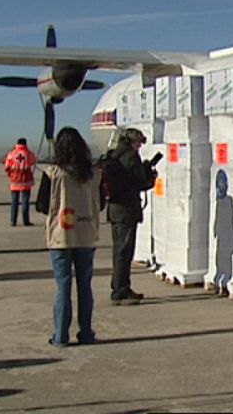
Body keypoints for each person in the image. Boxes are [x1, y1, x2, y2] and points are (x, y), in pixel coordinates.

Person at [41, 126, 103, 346]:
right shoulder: (94, 174)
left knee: (63, 286)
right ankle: (86, 332)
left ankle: (60, 336)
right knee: (85, 285)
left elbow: (41, 205)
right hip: (86, 234)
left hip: (61, 236)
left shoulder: (53, 173)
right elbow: (101, 202)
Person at [104, 128, 157, 306]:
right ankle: (121, 290)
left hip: (115, 209)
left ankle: (119, 287)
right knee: (124, 251)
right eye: (139, 143)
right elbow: (139, 182)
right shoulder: (130, 157)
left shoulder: (114, 155)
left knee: (118, 250)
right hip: (127, 210)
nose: (140, 146)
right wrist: (150, 177)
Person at [4, 137, 37, 226]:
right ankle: (25, 221)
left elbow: (7, 167)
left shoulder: (11, 153)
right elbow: (33, 161)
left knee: (14, 201)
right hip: (26, 180)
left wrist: (10, 175)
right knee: (25, 201)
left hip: (14, 180)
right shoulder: (28, 153)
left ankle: (13, 221)